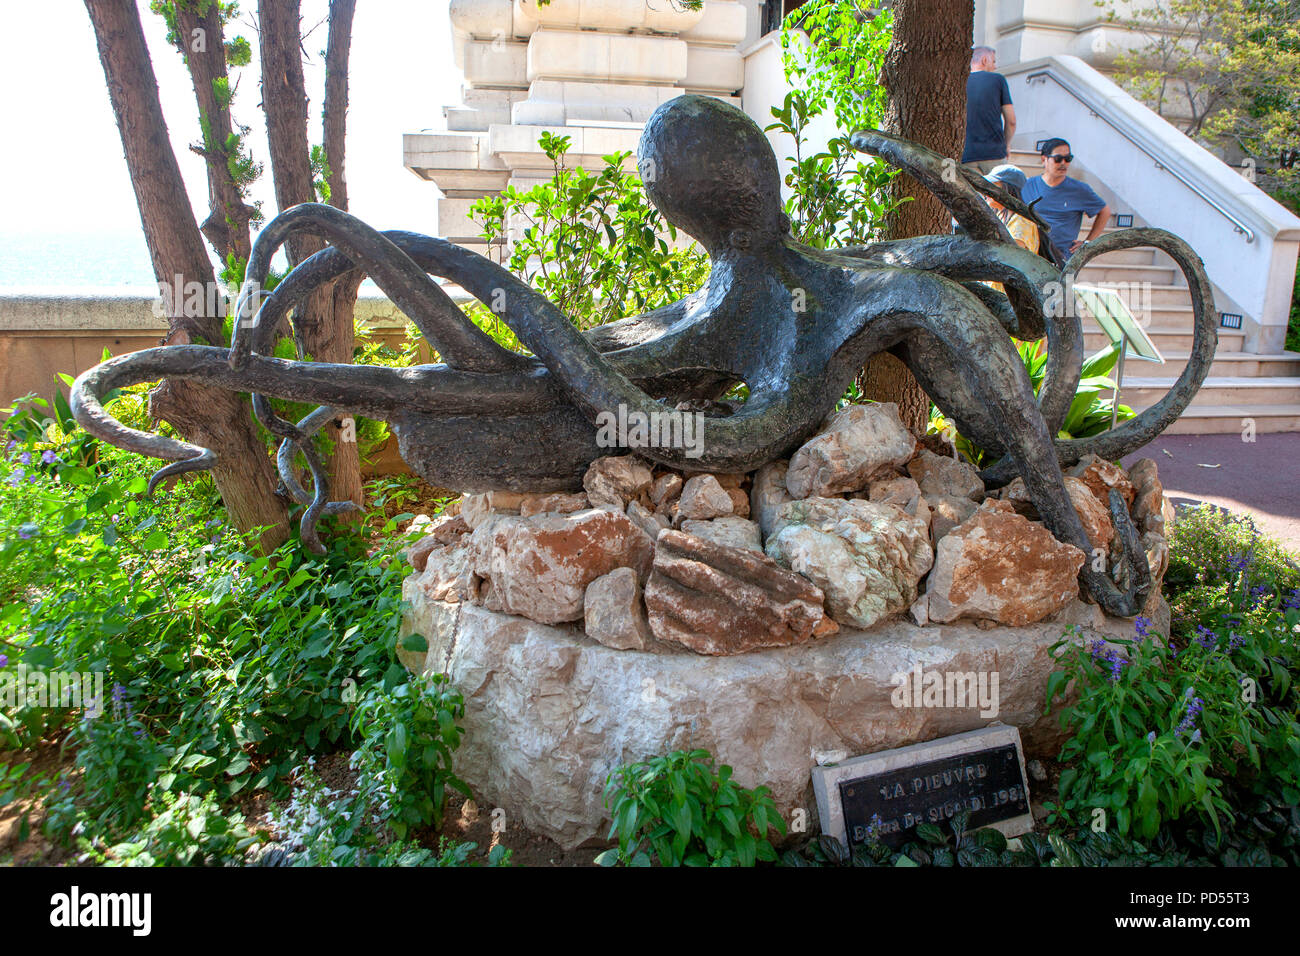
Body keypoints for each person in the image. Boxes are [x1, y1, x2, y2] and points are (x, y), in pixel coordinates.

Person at [1022, 138, 1112, 261]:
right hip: (1030, 254)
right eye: (1058, 159)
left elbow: (1104, 211)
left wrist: (1088, 243)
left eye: (1068, 159)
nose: (1063, 163)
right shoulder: (1027, 185)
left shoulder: (1079, 189)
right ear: (1044, 159)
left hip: (1062, 258)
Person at [962, 46, 1016, 174]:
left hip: (966, 154)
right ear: (984, 60)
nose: (995, 66)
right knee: (996, 193)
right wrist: (1006, 145)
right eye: (994, 61)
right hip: (994, 153)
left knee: (971, 194)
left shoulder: (959, 82)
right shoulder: (998, 80)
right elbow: (1011, 121)